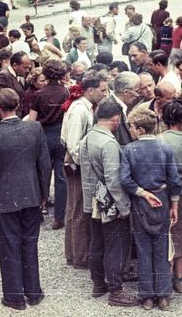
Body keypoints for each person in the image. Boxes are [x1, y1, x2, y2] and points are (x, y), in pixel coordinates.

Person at [0, 89, 51, 310]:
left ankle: (14, 296)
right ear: (18, 105)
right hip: (31, 194)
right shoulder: (35, 128)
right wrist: (42, 194)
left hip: (5, 197)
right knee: (29, 242)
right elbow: (45, 164)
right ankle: (33, 292)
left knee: (9, 244)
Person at [120, 108, 180, 311]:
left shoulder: (129, 150)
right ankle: (163, 295)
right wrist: (174, 205)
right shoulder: (166, 148)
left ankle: (146, 296)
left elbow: (125, 180)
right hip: (162, 198)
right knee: (162, 247)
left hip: (141, 201)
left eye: (131, 126)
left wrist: (142, 193)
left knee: (143, 248)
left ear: (140, 129)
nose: (129, 129)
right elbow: (174, 180)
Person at [78, 100, 137, 307]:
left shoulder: (87, 138)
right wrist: (123, 206)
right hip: (109, 202)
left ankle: (98, 283)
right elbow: (113, 179)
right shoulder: (109, 143)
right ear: (116, 119)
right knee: (116, 245)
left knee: (97, 242)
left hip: (92, 201)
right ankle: (116, 290)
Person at [60, 71, 109, 268]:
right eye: (102, 90)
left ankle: (75, 253)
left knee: (76, 209)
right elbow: (73, 144)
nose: (105, 94)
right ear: (90, 90)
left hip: (81, 166)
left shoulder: (85, 107)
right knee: (79, 210)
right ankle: (79, 255)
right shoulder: (79, 110)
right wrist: (88, 165)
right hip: (78, 167)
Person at [159, 100, 182, 294]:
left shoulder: (159, 140)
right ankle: (179, 278)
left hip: (163, 193)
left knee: (165, 234)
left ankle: (165, 274)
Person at [28, 60, 68, 230]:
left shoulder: (39, 94)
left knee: (41, 175)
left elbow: (31, 121)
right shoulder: (66, 92)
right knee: (61, 177)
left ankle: (39, 210)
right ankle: (59, 216)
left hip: (43, 134)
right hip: (61, 134)